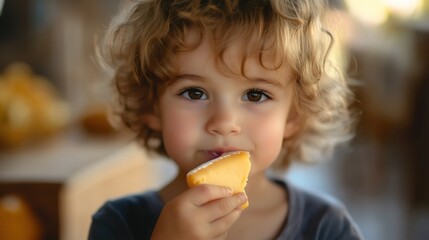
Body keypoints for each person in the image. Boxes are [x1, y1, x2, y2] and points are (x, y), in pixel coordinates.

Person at [89, 0, 363, 239]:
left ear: (293, 116)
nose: (224, 121)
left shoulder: (327, 228)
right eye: (194, 93)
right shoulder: (117, 224)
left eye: (255, 95)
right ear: (152, 107)